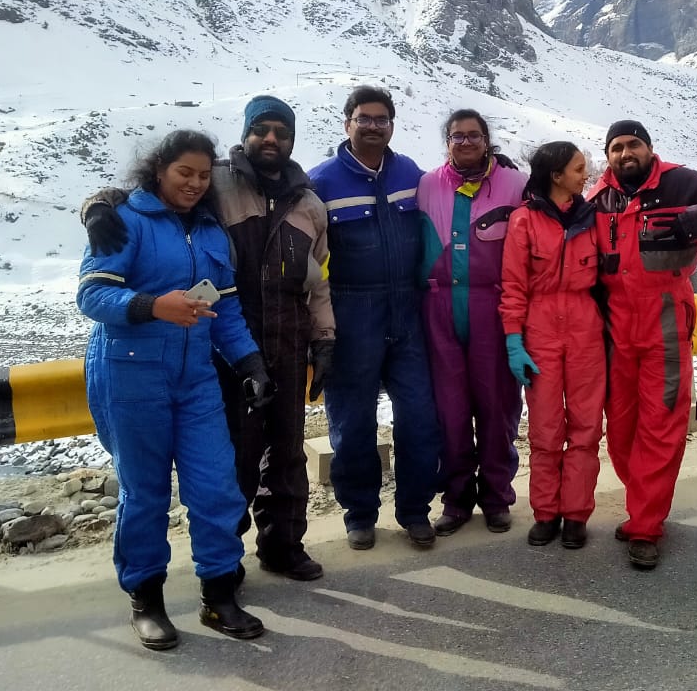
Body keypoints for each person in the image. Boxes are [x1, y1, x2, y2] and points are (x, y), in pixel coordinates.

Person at [83, 95, 335, 583]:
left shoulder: (309, 203)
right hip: (217, 346)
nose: (271, 139)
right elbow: (138, 198)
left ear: (292, 140)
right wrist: (96, 206)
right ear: (246, 133)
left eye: (282, 131)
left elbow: (319, 281)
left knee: (286, 450)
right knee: (230, 459)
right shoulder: (213, 180)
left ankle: (280, 547)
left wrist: (324, 339)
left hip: (278, 337)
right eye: (261, 128)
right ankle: (220, 557)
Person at [77, 130, 271, 650]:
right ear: (160, 168)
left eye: (204, 175)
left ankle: (218, 595)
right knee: (145, 494)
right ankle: (146, 599)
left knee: (215, 487)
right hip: (131, 375)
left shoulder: (210, 232)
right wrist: (151, 306)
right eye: (184, 172)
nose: (194, 183)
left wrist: (250, 362)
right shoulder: (125, 220)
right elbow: (92, 294)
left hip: (196, 379)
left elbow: (224, 308)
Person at [589, 120, 697, 570]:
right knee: (620, 432)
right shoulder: (598, 198)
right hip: (615, 333)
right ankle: (644, 503)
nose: (626, 153)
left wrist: (688, 222)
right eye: (617, 147)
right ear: (608, 155)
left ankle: (645, 525)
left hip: (664, 329)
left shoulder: (681, 182)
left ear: (649, 148)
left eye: (633, 145)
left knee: (661, 429)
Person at [307, 86, 441, 551]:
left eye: (382, 119)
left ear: (392, 125)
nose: (373, 126)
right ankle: (359, 514)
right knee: (352, 420)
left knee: (421, 416)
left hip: (408, 310)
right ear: (347, 123)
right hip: (351, 311)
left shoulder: (411, 174)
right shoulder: (319, 182)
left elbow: (453, 195)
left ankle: (415, 511)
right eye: (364, 118)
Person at [418, 109, 528, 535]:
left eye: (473, 135)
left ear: (487, 140)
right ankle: (456, 499)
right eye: (456, 136)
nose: (465, 142)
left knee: (499, 405)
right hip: (440, 305)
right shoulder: (427, 184)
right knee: (451, 409)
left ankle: (497, 497)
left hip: (494, 307)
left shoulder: (515, 184)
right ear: (446, 142)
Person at [499, 142, 605, 549]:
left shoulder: (592, 217)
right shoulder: (524, 220)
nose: (586, 174)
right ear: (556, 176)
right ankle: (546, 511)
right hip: (540, 328)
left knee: (585, 425)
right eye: (579, 169)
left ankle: (576, 514)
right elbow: (513, 285)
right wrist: (514, 339)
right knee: (545, 428)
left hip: (584, 328)